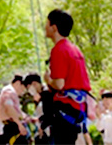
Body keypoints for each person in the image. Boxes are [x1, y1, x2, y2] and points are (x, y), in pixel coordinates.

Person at [44, 9, 92, 145]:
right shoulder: (75, 49)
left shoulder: (59, 50)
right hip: (79, 106)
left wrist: (48, 79)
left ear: (54, 28)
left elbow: (59, 84)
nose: (45, 27)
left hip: (65, 107)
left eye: (47, 24)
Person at [0, 75, 28, 145]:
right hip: (12, 126)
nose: (21, 92)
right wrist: (19, 124)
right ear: (18, 83)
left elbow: (16, 110)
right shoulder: (9, 91)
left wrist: (28, 118)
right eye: (22, 89)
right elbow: (9, 107)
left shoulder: (11, 92)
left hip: (12, 125)